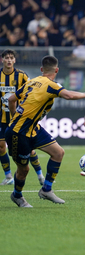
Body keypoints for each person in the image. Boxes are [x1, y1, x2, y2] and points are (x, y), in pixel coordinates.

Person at [5, 55, 85, 207]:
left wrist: (14, 116)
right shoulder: (50, 84)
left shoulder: (31, 81)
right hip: (18, 133)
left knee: (58, 152)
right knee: (24, 169)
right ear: (57, 70)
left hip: (32, 128)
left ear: (42, 70)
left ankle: (46, 189)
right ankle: (17, 195)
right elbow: (68, 95)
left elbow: (11, 99)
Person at [0, 49, 44, 186]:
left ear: (14, 60)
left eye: (11, 58)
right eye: (6, 57)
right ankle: (8, 176)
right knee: (1, 147)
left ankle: (40, 175)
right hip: (2, 119)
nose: (8, 60)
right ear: (2, 60)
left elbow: (31, 92)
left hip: (19, 119)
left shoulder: (22, 76)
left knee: (28, 148)